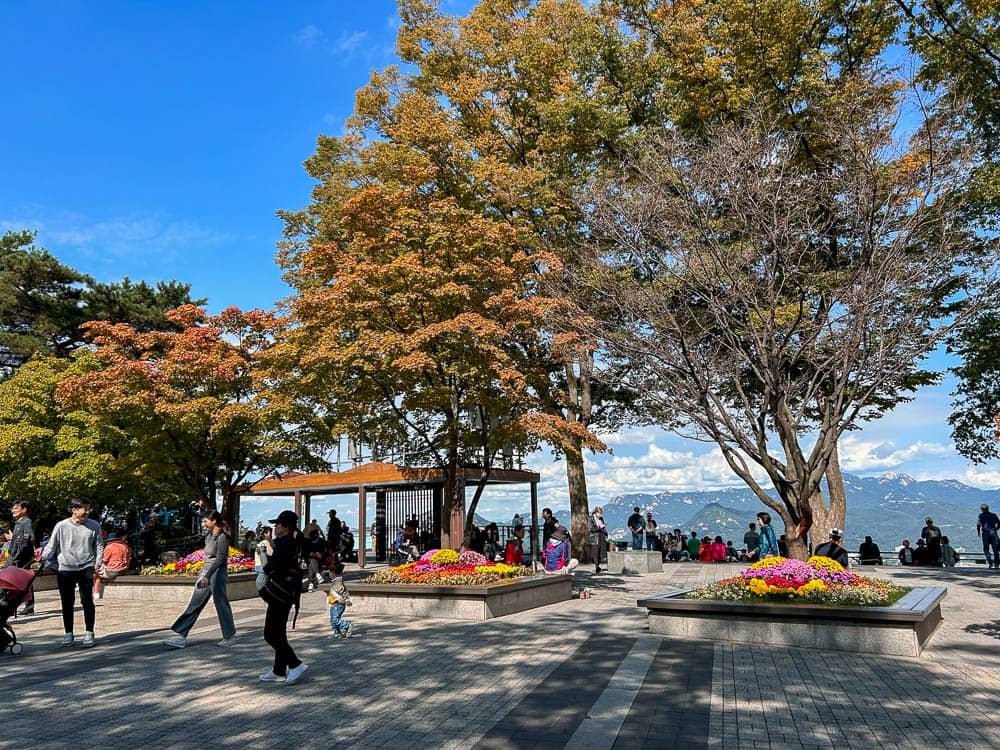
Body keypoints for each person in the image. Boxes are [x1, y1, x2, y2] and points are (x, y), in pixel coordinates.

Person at [163, 508, 237, 649]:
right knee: (195, 603)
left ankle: (229, 635)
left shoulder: (222, 538)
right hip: (206, 572)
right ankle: (181, 635)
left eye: (206, 520)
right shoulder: (209, 536)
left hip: (217, 573)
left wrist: (207, 576)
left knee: (220, 603)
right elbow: (207, 556)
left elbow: (220, 559)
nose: (204, 523)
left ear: (214, 521)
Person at [43, 499, 104, 647]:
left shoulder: (94, 525)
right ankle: (68, 633)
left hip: (86, 567)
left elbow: (99, 545)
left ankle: (89, 632)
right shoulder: (61, 526)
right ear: (74, 510)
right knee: (67, 602)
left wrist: (98, 562)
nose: (87, 512)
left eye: (89, 509)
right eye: (85, 509)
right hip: (65, 568)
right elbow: (52, 545)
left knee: (86, 600)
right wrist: (41, 558)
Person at [259, 510, 307, 684]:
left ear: (285, 527)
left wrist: (264, 559)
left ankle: (295, 664)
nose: (275, 527)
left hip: (281, 593)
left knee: (271, 634)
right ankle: (279, 670)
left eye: (278, 524)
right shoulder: (287, 542)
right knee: (278, 633)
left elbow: (276, 566)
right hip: (285, 593)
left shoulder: (286, 543)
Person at [5, 501, 35, 616]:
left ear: (24, 509)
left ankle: (26, 606)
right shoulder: (19, 523)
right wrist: (13, 539)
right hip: (16, 556)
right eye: (12, 508)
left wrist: (17, 554)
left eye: (16, 508)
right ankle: (26, 606)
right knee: (23, 582)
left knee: (19, 581)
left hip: (19, 558)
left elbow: (28, 539)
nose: (13, 510)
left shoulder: (26, 522)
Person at [94, 534, 131, 599]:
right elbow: (128, 559)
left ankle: (96, 593)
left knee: (96, 574)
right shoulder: (125, 547)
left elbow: (104, 560)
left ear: (110, 541)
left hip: (112, 572)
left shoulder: (109, 547)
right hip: (123, 571)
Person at [327, 560, 354, 639]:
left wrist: (347, 600)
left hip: (339, 604)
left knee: (335, 619)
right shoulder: (336, 582)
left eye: (329, 572)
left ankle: (347, 626)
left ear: (333, 573)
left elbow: (343, 592)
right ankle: (337, 632)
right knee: (333, 620)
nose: (329, 574)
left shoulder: (338, 583)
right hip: (333, 604)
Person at [976, 504, 1000, 569]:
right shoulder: (994, 515)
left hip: (985, 534)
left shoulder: (981, 515)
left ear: (982, 509)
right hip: (993, 533)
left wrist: (978, 532)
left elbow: (978, 524)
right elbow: (999, 524)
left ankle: (990, 562)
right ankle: (997, 564)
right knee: (996, 550)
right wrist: (995, 530)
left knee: (986, 549)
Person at [588, 506, 609, 574]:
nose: (600, 515)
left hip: (601, 536)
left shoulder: (601, 518)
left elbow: (603, 527)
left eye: (601, 513)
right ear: (596, 512)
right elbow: (591, 529)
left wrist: (605, 533)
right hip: (594, 537)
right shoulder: (590, 519)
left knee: (601, 552)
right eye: (599, 513)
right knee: (595, 552)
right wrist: (599, 527)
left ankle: (598, 566)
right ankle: (597, 567)